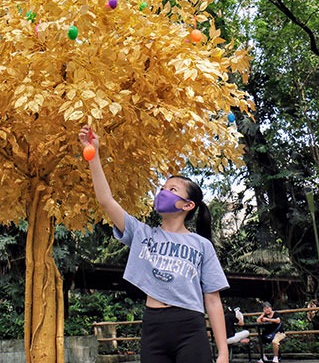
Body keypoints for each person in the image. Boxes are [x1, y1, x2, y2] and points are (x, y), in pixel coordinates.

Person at [78, 125, 230, 363]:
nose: (162, 193)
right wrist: (94, 154)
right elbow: (106, 201)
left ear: (188, 205)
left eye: (172, 189)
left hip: (190, 326)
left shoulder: (201, 245)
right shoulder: (142, 234)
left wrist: (223, 352)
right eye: (162, 189)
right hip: (153, 326)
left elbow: (212, 299)